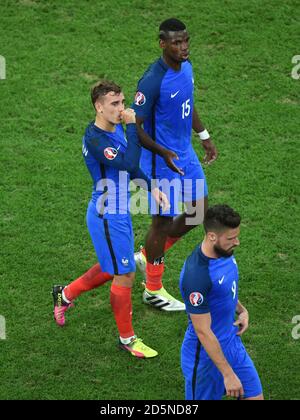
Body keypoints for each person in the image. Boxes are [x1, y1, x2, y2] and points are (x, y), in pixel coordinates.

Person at [52, 80, 169, 359]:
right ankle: (127, 339)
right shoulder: (95, 140)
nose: (121, 108)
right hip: (106, 215)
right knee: (124, 272)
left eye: (122, 102)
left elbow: (131, 169)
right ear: (98, 106)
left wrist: (150, 186)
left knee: (113, 267)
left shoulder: (112, 129)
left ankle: (65, 294)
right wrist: (133, 127)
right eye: (114, 104)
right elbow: (127, 163)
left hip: (119, 210)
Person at [131, 18, 218, 311]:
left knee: (199, 211)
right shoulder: (152, 80)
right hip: (159, 160)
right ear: (162, 44)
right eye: (176, 43)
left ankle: (147, 255)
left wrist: (203, 135)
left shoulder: (187, 68)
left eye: (186, 41)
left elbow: (188, 104)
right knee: (162, 222)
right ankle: (152, 289)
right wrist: (162, 152)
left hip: (184, 152)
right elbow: (135, 127)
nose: (183, 47)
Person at [180, 205, 264, 400]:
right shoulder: (196, 276)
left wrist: (241, 310)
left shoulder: (224, 252)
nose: (237, 242)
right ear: (212, 236)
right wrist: (228, 374)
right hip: (205, 359)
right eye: (231, 238)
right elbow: (203, 331)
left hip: (232, 343)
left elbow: (224, 289)